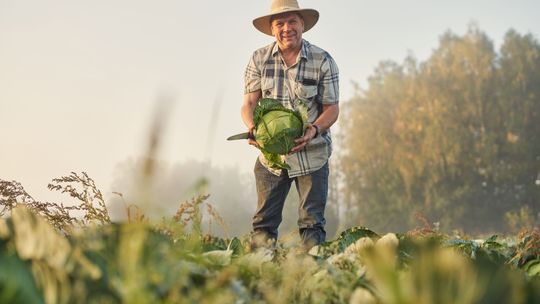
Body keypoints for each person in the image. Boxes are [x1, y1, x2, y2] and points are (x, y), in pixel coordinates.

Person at [241, 0, 339, 250]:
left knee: (312, 223)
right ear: (272, 29)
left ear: (302, 24)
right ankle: (260, 279)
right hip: (271, 157)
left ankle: (313, 279)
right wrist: (252, 127)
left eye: (292, 21)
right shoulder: (258, 59)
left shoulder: (323, 59)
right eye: (280, 23)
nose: (287, 28)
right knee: (263, 224)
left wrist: (314, 129)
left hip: (313, 154)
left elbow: (332, 108)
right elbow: (249, 103)